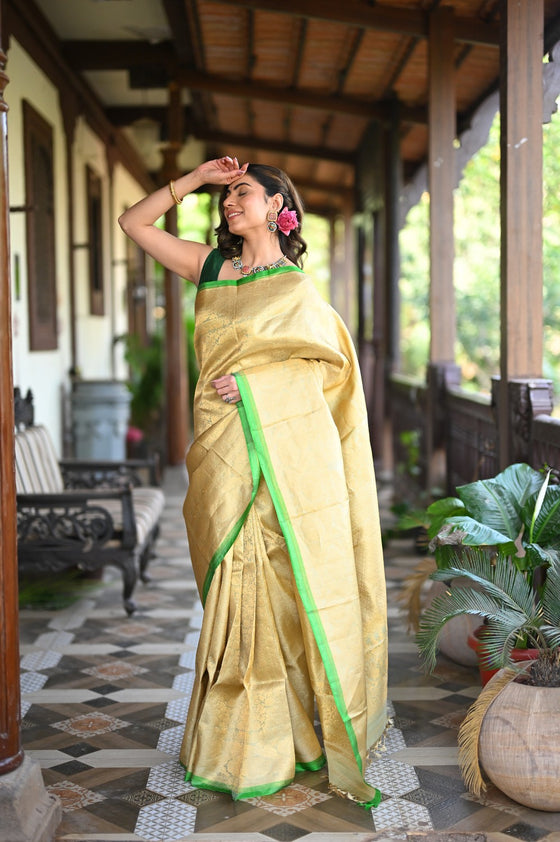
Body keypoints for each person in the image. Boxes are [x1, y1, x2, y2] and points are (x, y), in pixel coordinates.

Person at [118, 157, 388, 807]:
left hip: (279, 455)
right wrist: (194, 179)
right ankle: (241, 735)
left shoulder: (297, 289)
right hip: (220, 448)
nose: (229, 202)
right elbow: (133, 223)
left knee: (277, 588)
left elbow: (326, 373)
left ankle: (281, 736)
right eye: (227, 195)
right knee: (230, 585)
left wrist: (256, 385)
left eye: (243, 192)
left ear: (276, 206)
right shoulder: (211, 267)